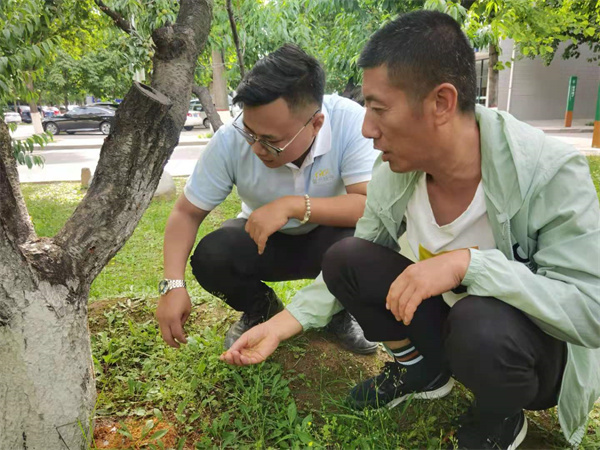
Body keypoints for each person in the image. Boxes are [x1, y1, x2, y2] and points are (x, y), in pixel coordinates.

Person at [221, 11, 600, 449]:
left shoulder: (548, 173)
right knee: (348, 257)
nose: (367, 129)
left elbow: (590, 311)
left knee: (479, 318)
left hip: (530, 354)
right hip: (449, 324)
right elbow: (360, 252)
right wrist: (282, 325)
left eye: (379, 109)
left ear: (440, 102)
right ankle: (421, 369)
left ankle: (500, 415)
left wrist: (470, 266)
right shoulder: (396, 172)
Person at [156, 44, 379, 354]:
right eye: (250, 133)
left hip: (331, 237)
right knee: (213, 256)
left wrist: (292, 205)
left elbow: (370, 205)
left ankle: (338, 313)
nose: (256, 148)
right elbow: (186, 213)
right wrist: (171, 286)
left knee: (363, 247)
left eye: (271, 141)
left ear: (315, 124)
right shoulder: (231, 139)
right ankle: (261, 308)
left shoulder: (350, 122)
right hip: (264, 240)